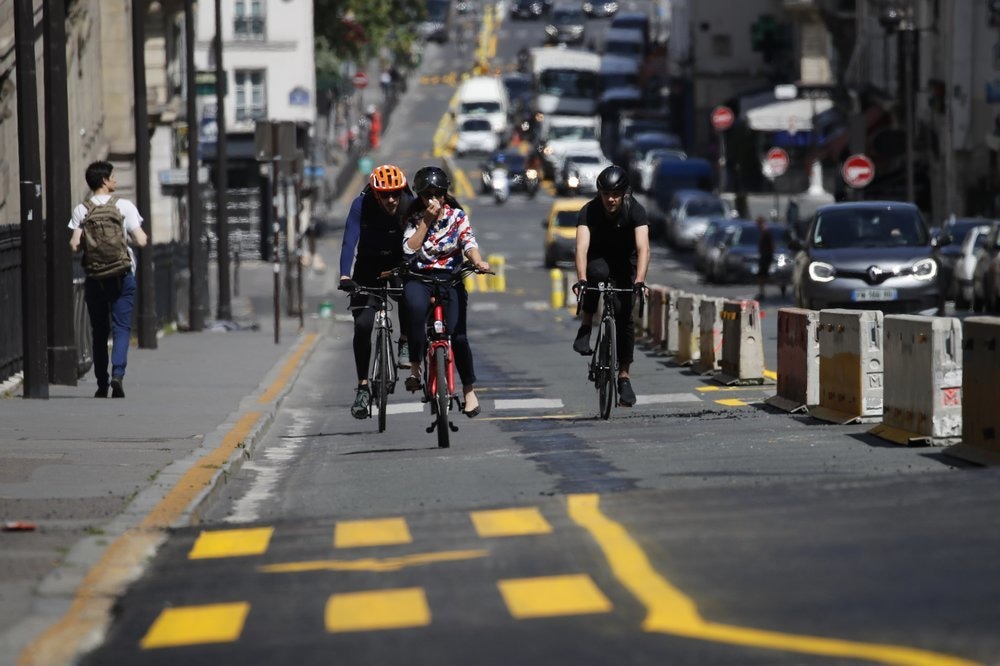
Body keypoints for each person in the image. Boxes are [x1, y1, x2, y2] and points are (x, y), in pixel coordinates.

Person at [401, 166, 489, 418]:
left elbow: (468, 242)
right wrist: (426, 221)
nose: (433, 199)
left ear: (444, 194)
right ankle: (415, 369)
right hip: (420, 278)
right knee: (416, 311)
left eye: (438, 193)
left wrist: (478, 261)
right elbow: (409, 249)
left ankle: (469, 390)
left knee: (459, 336)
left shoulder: (458, 216)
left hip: (450, 279)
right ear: (419, 195)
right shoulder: (414, 219)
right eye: (427, 194)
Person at [338, 164, 415, 419]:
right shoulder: (361, 206)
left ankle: (404, 342)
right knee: (362, 325)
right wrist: (345, 275)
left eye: (395, 193)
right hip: (368, 266)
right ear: (375, 193)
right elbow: (350, 241)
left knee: (407, 294)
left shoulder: (408, 205)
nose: (391, 199)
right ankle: (362, 387)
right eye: (385, 195)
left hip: (398, 261)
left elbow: (418, 241)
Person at [571, 165, 650, 408]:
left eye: (615, 194)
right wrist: (582, 279)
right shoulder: (589, 211)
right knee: (595, 275)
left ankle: (624, 376)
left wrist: (639, 281)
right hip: (599, 259)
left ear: (624, 193)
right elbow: (582, 248)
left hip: (625, 263)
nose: (610, 199)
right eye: (605, 194)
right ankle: (586, 327)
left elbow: (643, 248)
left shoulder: (635, 210)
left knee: (625, 315)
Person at [68, 160, 149, 398]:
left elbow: (74, 245)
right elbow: (141, 240)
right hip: (122, 275)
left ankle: (101, 383)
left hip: (95, 277)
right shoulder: (124, 206)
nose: (115, 180)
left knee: (99, 331)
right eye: (113, 176)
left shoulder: (81, 209)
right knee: (122, 328)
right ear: (104, 180)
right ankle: (118, 374)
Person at [755, 215, 774, 301]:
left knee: (762, 275)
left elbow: (770, 245)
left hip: (766, 255)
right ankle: (762, 291)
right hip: (764, 255)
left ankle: (762, 292)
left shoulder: (765, 232)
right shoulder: (764, 232)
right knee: (762, 275)